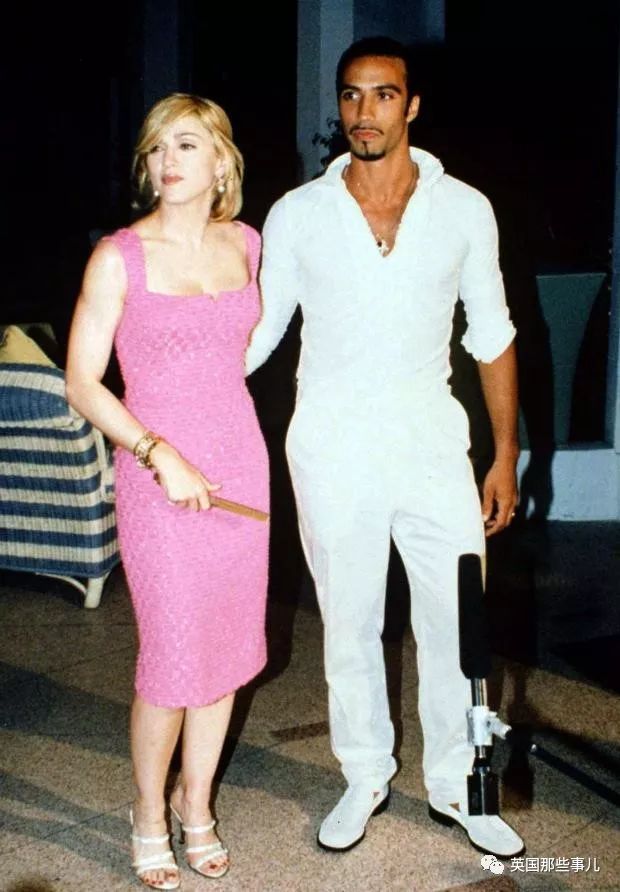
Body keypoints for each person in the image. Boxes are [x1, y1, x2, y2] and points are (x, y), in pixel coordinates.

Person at [246, 37, 524, 858]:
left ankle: (460, 784)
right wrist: (174, 393)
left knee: (457, 621)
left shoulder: (465, 208)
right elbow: (261, 331)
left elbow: (493, 334)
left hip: (433, 440)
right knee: (350, 621)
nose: (363, 112)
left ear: (413, 105)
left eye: (383, 94)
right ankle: (363, 774)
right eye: (351, 95)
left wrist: (505, 453)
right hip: (330, 443)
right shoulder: (297, 213)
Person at [66, 93, 269, 889]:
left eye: (187, 144)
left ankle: (196, 802)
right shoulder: (119, 257)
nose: (168, 160)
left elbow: (241, 354)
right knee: (174, 654)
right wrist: (160, 452)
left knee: (226, 651)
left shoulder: (246, 243)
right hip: (157, 473)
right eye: (157, 148)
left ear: (222, 161)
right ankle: (149, 811)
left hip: (241, 464)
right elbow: (83, 383)